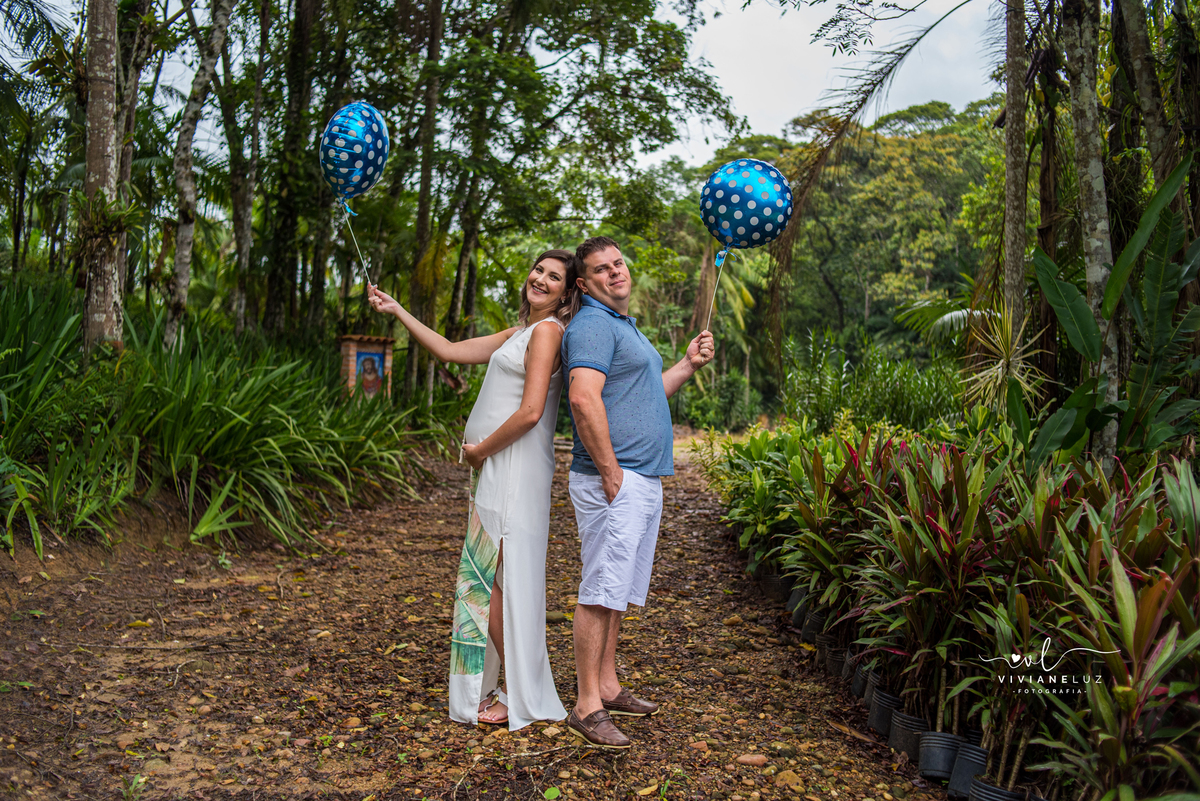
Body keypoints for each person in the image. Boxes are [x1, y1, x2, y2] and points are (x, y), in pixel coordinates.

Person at [367, 249, 580, 730]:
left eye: (554, 277)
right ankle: (510, 689)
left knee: (495, 578)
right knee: (491, 577)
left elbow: (529, 413)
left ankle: (522, 694)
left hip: (512, 467)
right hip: (498, 466)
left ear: (567, 293)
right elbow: (447, 349)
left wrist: (480, 450)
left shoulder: (547, 333)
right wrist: (397, 310)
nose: (540, 279)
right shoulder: (520, 332)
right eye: (538, 270)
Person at [561, 236, 714, 749]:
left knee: (619, 589)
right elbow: (583, 398)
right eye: (601, 270)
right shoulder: (590, 326)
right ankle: (586, 706)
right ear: (584, 284)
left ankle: (607, 684)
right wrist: (610, 471)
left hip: (641, 477)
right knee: (600, 588)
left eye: (618, 264)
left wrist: (687, 365)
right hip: (617, 476)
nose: (615, 273)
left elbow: (646, 394)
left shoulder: (624, 327)